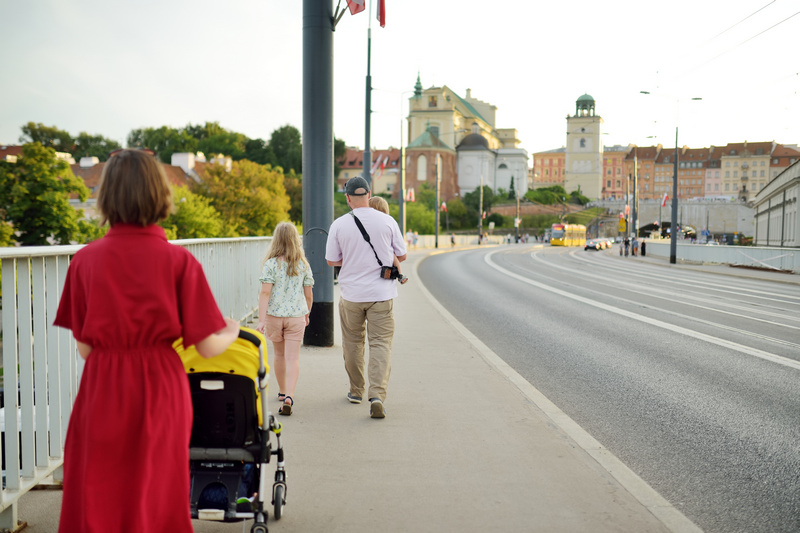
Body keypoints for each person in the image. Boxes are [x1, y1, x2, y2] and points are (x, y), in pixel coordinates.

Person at [53, 149, 240, 533]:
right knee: (154, 491)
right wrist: (232, 331)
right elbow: (205, 347)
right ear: (160, 193)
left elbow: (85, 348)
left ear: (106, 196)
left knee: (98, 488)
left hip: (102, 387)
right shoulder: (179, 262)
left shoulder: (85, 261)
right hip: (160, 387)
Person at [325, 176, 407, 419]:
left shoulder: (339, 224)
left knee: (352, 343)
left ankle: (356, 391)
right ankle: (377, 396)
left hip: (351, 295)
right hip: (382, 294)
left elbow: (331, 260)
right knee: (381, 344)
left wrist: (351, 261)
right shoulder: (388, 220)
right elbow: (401, 256)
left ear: (348, 198)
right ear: (369, 194)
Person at [256, 222, 314, 416]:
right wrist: (306, 313)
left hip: (274, 316)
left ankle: (281, 391)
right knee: (293, 357)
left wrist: (262, 320)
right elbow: (308, 295)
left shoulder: (271, 264)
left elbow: (265, 293)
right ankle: (289, 395)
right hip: (296, 316)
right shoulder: (303, 264)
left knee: (279, 355)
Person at [368, 196, 408, 284]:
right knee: (392, 255)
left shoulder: (359, 223)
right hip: (383, 285)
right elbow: (403, 255)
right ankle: (400, 274)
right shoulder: (389, 222)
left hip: (359, 285)